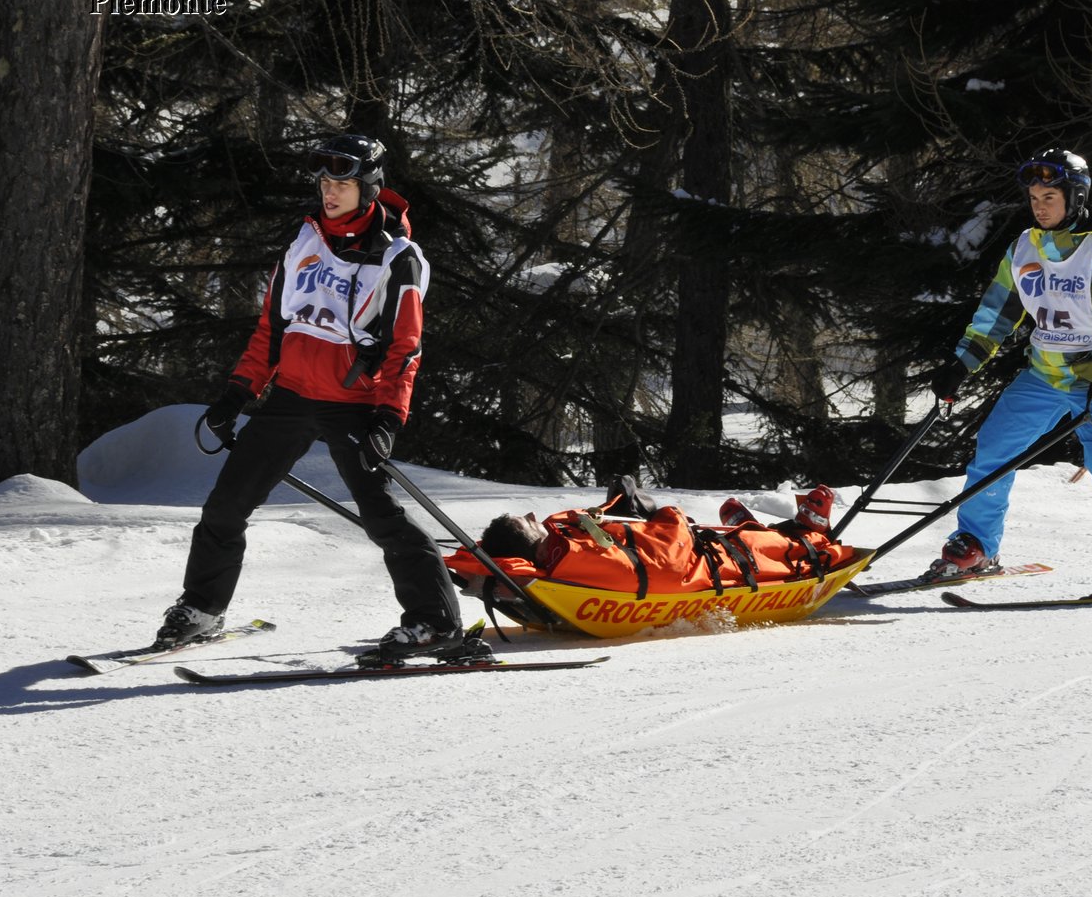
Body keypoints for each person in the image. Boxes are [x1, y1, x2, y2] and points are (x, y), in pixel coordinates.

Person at [157, 134, 467, 661]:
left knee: (382, 518)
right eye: (325, 181)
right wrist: (238, 393)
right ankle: (202, 609)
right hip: (292, 395)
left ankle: (434, 622)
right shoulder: (303, 240)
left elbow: (405, 349)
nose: (330, 191)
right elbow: (272, 328)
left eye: (342, 182)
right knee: (225, 507)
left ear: (368, 186)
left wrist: (389, 419)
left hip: (355, 403)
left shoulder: (400, 259)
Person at [929, 148, 1092, 593]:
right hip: (1043, 374)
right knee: (994, 450)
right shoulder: (1024, 250)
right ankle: (977, 544)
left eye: (1050, 195)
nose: (1040, 206)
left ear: (1076, 196)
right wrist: (962, 363)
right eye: (1033, 198)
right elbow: (995, 316)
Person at [448, 483, 849, 597]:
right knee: (753, 551)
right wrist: (660, 512)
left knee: (730, 542)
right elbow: (664, 559)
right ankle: (811, 534)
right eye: (527, 521)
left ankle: (761, 529)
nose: (537, 518)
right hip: (697, 561)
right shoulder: (570, 555)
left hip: (693, 553)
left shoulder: (563, 553)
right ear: (524, 538)